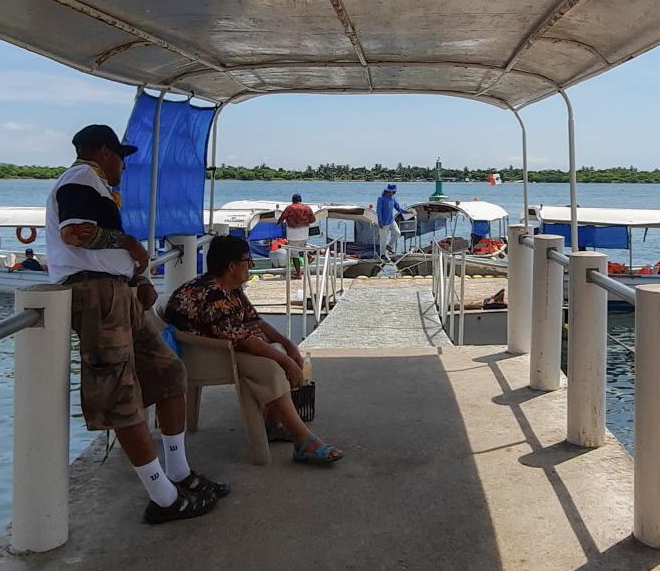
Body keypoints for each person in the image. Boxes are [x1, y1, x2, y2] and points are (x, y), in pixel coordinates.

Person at [49, 122, 228, 524]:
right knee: (120, 393)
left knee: (168, 372)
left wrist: (137, 277)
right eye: (121, 158)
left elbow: (101, 245)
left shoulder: (96, 186)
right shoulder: (80, 179)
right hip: (97, 297)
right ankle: (163, 497)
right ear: (104, 151)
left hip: (119, 291)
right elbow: (76, 235)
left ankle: (179, 472)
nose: (124, 168)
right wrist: (130, 245)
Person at [165, 236, 346, 465]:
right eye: (247, 261)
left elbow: (255, 322)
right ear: (232, 266)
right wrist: (287, 362)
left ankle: (272, 423)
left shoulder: (231, 288)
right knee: (270, 366)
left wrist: (288, 345)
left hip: (223, 346)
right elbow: (243, 339)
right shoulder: (213, 294)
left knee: (277, 351)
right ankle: (303, 441)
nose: (250, 266)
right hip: (203, 355)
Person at [375, 184, 400, 257]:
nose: (392, 193)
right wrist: (380, 221)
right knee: (383, 239)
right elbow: (378, 211)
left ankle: (389, 246)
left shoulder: (393, 198)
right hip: (383, 222)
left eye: (393, 191)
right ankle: (382, 254)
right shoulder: (381, 198)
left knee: (397, 233)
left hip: (391, 221)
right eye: (390, 191)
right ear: (387, 191)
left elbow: (398, 208)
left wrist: (406, 212)